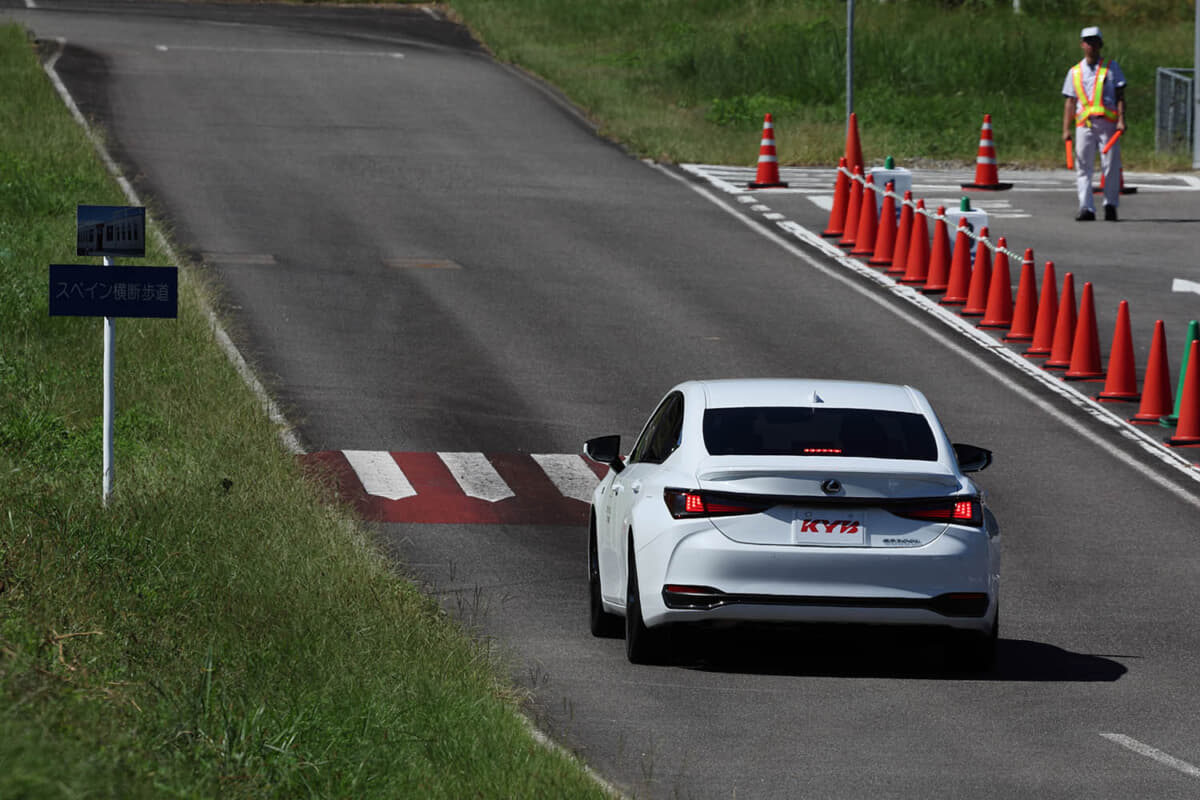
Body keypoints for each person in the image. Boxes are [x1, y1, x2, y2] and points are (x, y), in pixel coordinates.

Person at [1062, 26, 1126, 221]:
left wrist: (1122, 120)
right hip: (1084, 126)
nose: (1091, 46)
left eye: (1095, 42)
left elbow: (1120, 95)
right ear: (1082, 45)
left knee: (1111, 166)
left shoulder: (1111, 67)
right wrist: (1066, 129)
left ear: (1101, 44)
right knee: (1083, 167)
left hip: (1108, 125)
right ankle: (1086, 207)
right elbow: (1070, 101)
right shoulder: (1074, 72)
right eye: (1088, 42)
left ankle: (1110, 205)